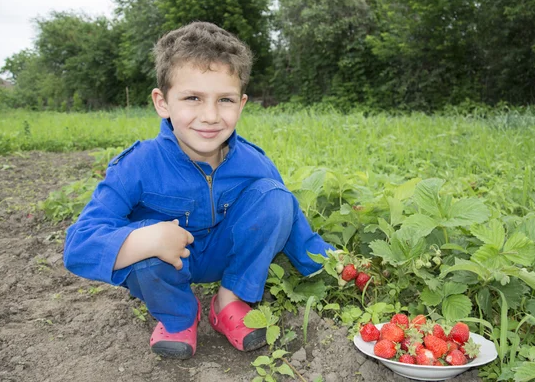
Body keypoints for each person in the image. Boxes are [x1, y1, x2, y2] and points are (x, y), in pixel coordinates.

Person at [62, 22, 333, 359]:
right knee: (143, 239)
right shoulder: (136, 165)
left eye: (225, 100)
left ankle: (230, 301)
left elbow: (292, 224)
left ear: (242, 103)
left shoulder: (254, 162)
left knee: (276, 197)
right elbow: (78, 246)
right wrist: (145, 239)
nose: (210, 116)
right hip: (165, 267)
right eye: (192, 98)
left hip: (224, 256)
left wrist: (333, 265)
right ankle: (177, 315)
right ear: (162, 102)